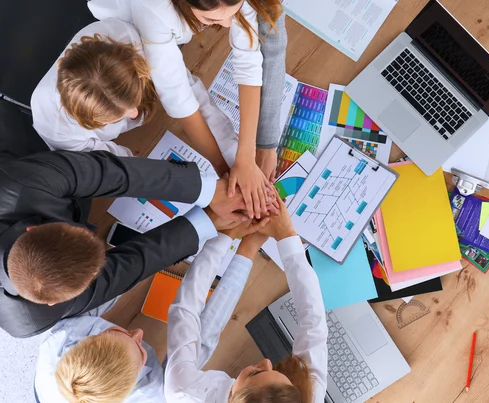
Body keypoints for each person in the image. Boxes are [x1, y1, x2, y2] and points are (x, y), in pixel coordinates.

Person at [0, 148, 254, 339]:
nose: (91, 232)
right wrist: (205, 221)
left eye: (81, 233)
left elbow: (112, 173)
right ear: (53, 302)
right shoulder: (30, 318)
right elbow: (126, 269)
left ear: (34, 230)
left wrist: (209, 191)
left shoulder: (23, 184)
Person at [87, 0, 288, 219]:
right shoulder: (153, 9)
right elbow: (178, 96)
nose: (228, 24)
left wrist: (247, 156)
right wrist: (226, 173)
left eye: (234, 10)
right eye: (212, 19)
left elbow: (248, 59)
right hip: (118, 29)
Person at [33, 219, 270, 403]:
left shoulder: (62, 335)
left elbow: (118, 279)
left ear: (87, 341)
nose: (138, 332)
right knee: (195, 346)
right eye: (140, 349)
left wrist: (216, 230)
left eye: (119, 332)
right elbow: (202, 332)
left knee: (107, 281)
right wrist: (247, 250)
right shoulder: (159, 394)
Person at [164, 192, 328, 403]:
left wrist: (226, 235)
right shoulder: (309, 396)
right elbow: (313, 322)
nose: (267, 362)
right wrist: (286, 236)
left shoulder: (183, 390)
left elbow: (185, 311)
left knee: (195, 340)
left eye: (255, 373)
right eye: (284, 377)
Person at [30, 18, 238, 171]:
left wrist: (233, 155)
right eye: (120, 115)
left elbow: (186, 91)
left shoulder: (124, 36)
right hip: (131, 146)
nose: (133, 113)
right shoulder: (56, 128)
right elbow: (115, 165)